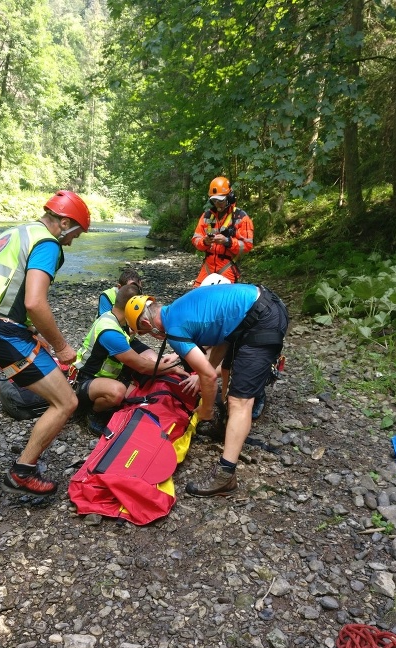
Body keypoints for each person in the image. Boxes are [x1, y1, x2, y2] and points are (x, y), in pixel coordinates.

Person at [0, 190, 90, 514]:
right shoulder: (47, 242)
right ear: (63, 222)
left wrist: (31, 334)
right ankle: (23, 471)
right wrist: (61, 346)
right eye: (75, 234)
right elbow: (33, 301)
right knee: (67, 401)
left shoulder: (15, 232)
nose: (72, 242)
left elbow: (7, 294)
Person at [125, 283, 288, 498]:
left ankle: (225, 475)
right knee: (228, 370)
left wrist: (207, 409)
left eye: (144, 332)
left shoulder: (174, 328)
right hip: (256, 311)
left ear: (147, 323)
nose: (151, 336)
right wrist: (203, 376)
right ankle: (225, 427)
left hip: (262, 318)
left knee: (240, 401)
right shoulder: (179, 308)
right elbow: (222, 339)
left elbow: (209, 376)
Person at [74, 285, 184, 435]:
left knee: (139, 396)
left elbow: (139, 335)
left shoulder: (119, 319)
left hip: (109, 376)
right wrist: (173, 368)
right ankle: (93, 413)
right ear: (130, 306)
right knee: (117, 393)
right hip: (86, 380)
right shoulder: (110, 332)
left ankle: (107, 403)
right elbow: (142, 366)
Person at [191, 176, 254, 287]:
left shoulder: (240, 217)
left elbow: (247, 245)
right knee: (196, 298)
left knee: (225, 301)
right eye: (214, 200)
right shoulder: (206, 216)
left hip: (227, 267)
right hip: (207, 266)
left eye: (221, 200)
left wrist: (227, 241)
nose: (217, 203)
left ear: (230, 197)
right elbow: (196, 240)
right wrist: (205, 242)